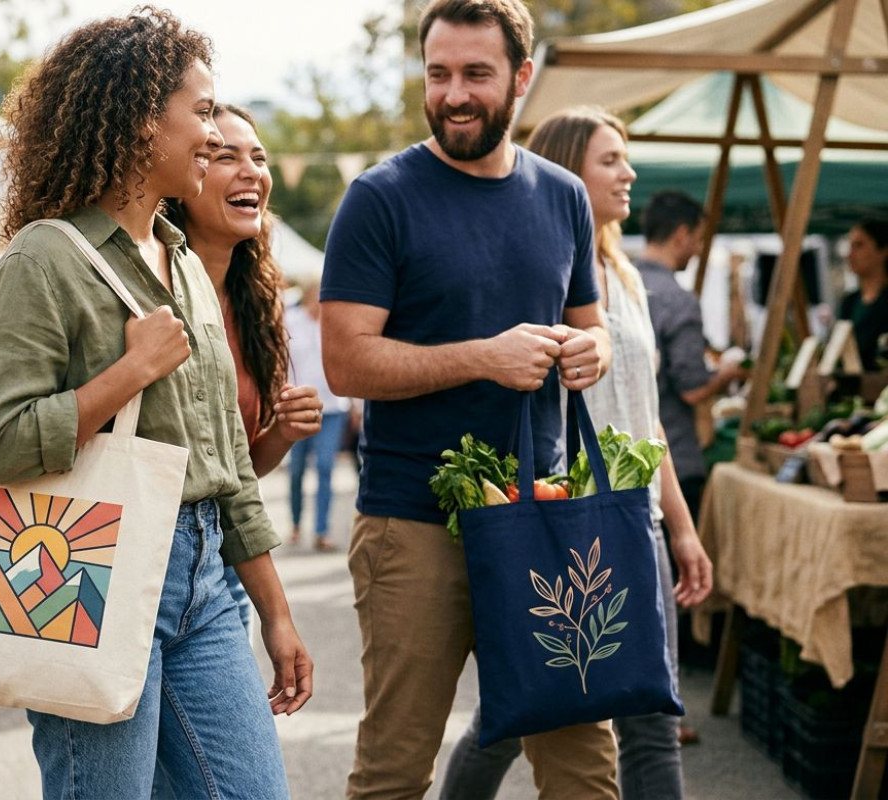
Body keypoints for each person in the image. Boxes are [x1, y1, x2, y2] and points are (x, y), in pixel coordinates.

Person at [0, 10, 311, 798]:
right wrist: (129, 373)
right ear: (137, 119)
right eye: (199, 113)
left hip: (203, 583)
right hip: (88, 571)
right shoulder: (42, 258)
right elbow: (0, 441)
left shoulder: (186, 259)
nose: (211, 135)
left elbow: (226, 462)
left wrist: (277, 613)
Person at [319, 1, 618, 796]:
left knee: (584, 763)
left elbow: (595, 328)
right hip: (412, 522)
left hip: (544, 516)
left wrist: (593, 349)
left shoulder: (563, 197)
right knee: (394, 771)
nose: (454, 93)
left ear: (522, 78)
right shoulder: (379, 198)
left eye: (476, 75)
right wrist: (483, 358)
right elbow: (346, 363)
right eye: (438, 73)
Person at [440, 108, 716, 800]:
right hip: (566, 520)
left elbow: (645, 419)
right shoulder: (538, 268)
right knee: (520, 710)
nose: (629, 174)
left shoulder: (625, 276)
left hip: (636, 514)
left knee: (653, 711)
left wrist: (680, 529)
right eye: (611, 160)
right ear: (566, 171)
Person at [163, 102, 327, 629]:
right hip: (130, 556)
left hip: (222, 561)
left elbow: (236, 470)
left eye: (258, 156)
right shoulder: (143, 291)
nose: (251, 170)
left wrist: (282, 432)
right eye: (225, 155)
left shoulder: (258, 304)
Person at [635, 190, 746, 523]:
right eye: (698, 240)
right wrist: (727, 373)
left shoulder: (620, 285)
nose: (698, 250)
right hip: (676, 458)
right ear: (681, 234)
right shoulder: (678, 300)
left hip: (628, 457)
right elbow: (692, 389)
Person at [284, 283, 350, 551]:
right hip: (298, 406)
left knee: (325, 467)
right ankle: (297, 523)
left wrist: (355, 405)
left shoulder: (336, 324)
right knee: (297, 469)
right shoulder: (290, 321)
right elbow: (280, 363)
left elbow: (347, 362)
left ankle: (322, 530)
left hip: (332, 407)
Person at [838, 217, 888, 371]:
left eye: (859, 245)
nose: (850, 254)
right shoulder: (849, 302)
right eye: (850, 246)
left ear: (883, 251)